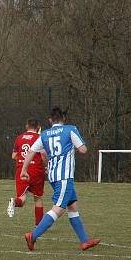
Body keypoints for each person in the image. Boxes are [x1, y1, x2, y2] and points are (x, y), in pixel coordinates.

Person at [20, 107, 100, 251]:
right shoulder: (70, 129)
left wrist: (24, 170)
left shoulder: (44, 134)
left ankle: (84, 241)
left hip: (53, 176)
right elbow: (83, 149)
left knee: (72, 207)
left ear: (50, 120)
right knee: (58, 209)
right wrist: (71, 148)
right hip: (64, 176)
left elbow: (32, 151)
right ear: (64, 119)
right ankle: (33, 235)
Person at [7, 118, 45, 224]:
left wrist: (22, 160)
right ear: (38, 127)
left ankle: (14, 201)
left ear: (26, 126)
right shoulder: (39, 137)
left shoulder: (19, 138)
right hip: (36, 170)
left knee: (21, 199)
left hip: (21, 170)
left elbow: (14, 155)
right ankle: (39, 226)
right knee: (38, 198)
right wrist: (46, 165)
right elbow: (43, 154)